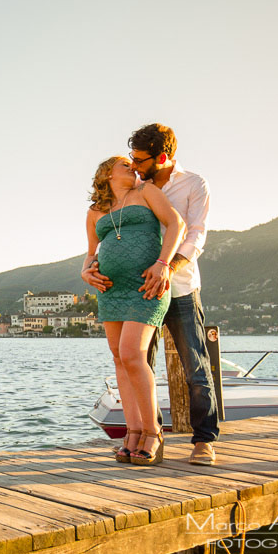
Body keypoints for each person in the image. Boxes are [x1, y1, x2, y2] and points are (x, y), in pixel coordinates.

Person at [83, 123, 219, 465]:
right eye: (130, 159)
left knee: (195, 367)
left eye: (139, 160)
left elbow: (193, 233)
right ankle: (145, 433)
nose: (134, 164)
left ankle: (204, 440)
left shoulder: (192, 184)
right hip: (130, 288)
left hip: (178, 283)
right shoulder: (135, 186)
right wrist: (89, 267)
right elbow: (98, 243)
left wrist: (166, 267)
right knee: (135, 361)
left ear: (162, 157)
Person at [82, 155, 185, 465]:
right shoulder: (95, 212)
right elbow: (90, 254)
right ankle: (133, 430)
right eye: (124, 165)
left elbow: (176, 224)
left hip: (147, 285)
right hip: (111, 290)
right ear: (106, 174)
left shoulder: (147, 192)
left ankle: (153, 431)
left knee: (131, 354)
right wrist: (85, 272)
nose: (133, 168)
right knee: (119, 358)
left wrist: (163, 264)